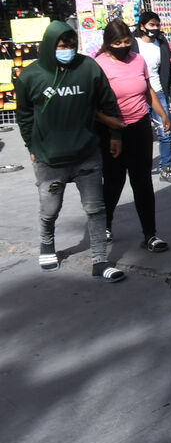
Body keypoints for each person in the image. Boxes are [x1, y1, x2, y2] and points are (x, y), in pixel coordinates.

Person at [16, 21, 126, 282]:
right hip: (49, 159)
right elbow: (24, 116)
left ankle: (100, 261)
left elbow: (107, 102)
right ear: (48, 46)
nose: (68, 50)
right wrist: (32, 146)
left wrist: (115, 135)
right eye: (62, 46)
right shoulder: (29, 76)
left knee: (95, 209)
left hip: (87, 154)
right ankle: (47, 244)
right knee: (50, 209)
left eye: (72, 45)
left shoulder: (88, 67)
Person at [95, 19, 171, 253]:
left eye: (126, 41)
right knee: (114, 181)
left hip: (139, 126)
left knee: (143, 182)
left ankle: (150, 234)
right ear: (108, 43)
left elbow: (148, 90)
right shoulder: (98, 64)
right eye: (117, 43)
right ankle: (105, 224)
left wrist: (162, 113)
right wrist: (110, 122)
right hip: (111, 131)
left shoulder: (138, 60)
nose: (123, 46)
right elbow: (92, 104)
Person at [131, 11, 171, 183]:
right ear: (142, 26)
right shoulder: (132, 43)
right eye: (151, 25)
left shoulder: (161, 43)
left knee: (165, 132)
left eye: (157, 25)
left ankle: (165, 168)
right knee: (140, 135)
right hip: (138, 95)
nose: (155, 28)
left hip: (158, 93)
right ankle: (139, 168)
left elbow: (167, 72)